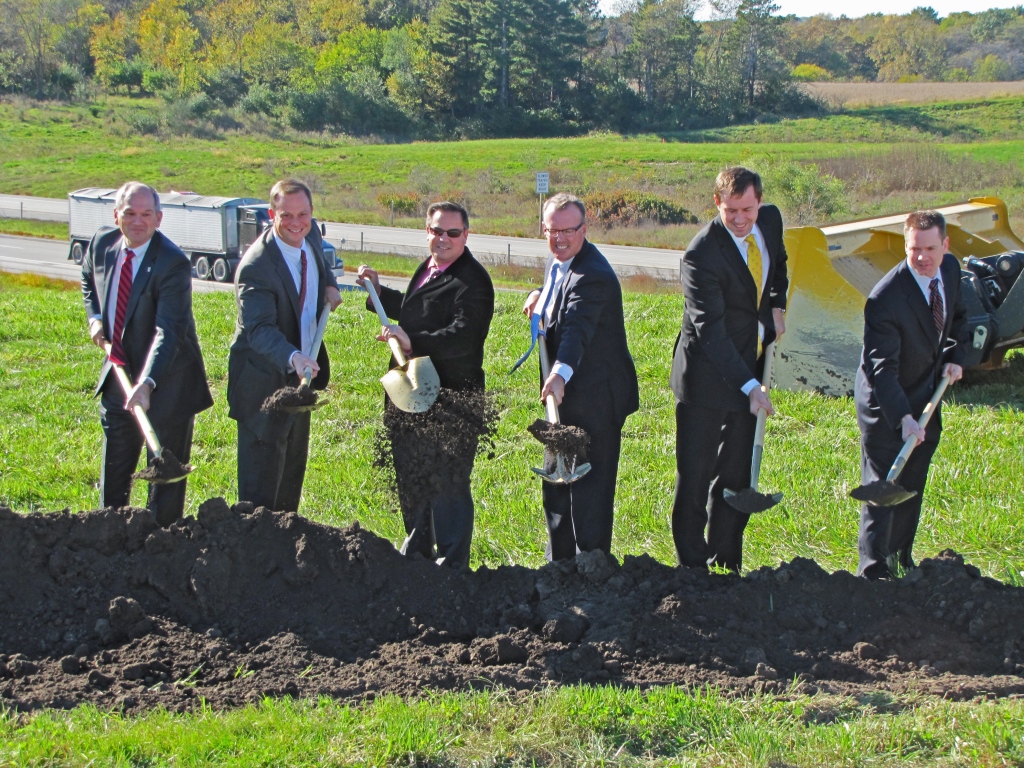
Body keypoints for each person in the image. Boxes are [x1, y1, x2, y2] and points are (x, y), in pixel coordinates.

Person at [357, 201, 495, 569]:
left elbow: (462, 336)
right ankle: (417, 560)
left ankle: (451, 567)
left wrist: (410, 340)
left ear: (466, 235)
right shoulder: (429, 267)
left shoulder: (474, 281)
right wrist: (378, 293)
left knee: (447, 484)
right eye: (436, 231)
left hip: (452, 400)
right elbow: (416, 309)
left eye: (452, 233)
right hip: (412, 394)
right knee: (413, 478)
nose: (443, 239)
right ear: (427, 231)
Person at [669, 167, 789, 572]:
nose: (740, 219)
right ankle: (692, 566)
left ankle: (726, 560)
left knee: (735, 472)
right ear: (716, 203)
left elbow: (780, 263)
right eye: (731, 210)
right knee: (696, 473)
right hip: (705, 373)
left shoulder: (769, 221)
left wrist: (777, 302)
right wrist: (750, 384)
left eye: (747, 209)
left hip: (750, 360)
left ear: (759, 202)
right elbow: (710, 333)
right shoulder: (701, 254)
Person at [81, 181, 213, 526]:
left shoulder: (172, 263)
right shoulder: (101, 245)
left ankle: (161, 553)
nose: (137, 221)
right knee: (114, 478)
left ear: (159, 218)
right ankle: (111, 542)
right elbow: (87, 279)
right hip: (119, 376)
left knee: (164, 484)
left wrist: (148, 383)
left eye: (146, 214)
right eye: (129, 213)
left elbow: (168, 331)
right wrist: (95, 318)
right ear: (116, 216)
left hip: (169, 381)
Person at [521, 192, 639, 561]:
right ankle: (560, 561)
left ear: (584, 229)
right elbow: (561, 296)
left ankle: (592, 563)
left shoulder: (595, 276)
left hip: (596, 397)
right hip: (566, 397)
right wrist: (541, 296)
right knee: (557, 478)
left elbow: (578, 329)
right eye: (551, 230)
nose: (558, 238)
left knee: (590, 486)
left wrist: (558, 373)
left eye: (568, 231)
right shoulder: (559, 262)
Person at [855, 210, 969, 580]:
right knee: (884, 486)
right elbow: (881, 369)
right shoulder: (885, 299)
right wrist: (902, 417)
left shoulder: (950, 271)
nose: (922, 257)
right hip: (886, 403)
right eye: (913, 249)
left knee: (913, 482)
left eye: (930, 248)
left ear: (945, 245)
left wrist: (956, 358)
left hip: (926, 396)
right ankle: (873, 573)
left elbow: (962, 319)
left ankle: (901, 560)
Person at [227, 179, 342, 512]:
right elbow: (259, 331)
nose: (295, 223)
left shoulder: (311, 236)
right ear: (270, 214)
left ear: (311, 214)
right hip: (263, 384)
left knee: (290, 478)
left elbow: (318, 260)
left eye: (302, 214)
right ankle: (253, 556)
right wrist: (293, 357)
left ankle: (287, 551)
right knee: (260, 495)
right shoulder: (256, 267)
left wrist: (330, 285)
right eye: (286, 215)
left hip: (299, 378)